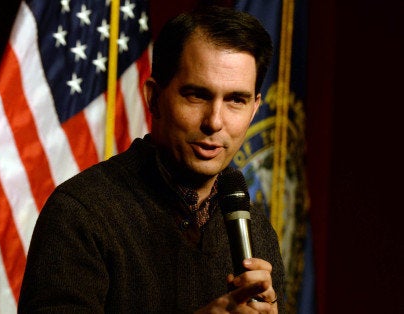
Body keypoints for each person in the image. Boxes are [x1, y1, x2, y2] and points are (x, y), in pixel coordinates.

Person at [18, 5, 284, 313]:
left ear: (254, 109)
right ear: (154, 97)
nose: (214, 121)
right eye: (197, 95)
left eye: (236, 100)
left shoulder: (258, 235)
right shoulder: (81, 212)